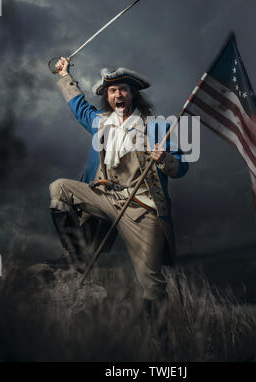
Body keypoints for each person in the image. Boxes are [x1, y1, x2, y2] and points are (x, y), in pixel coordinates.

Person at [49, 56, 189, 339]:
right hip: (105, 199)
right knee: (59, 189)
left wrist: (164, 159)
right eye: (112, 91)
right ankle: (77, 263)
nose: (118, 94)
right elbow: (78, 107)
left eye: (123, 89)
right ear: (108, 98)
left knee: (151, 282)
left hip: (142, 210)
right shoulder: (100, 122)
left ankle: (161, 347)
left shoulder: (157, 127)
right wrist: (64, 74)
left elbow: (182, 167)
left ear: (133, 93)